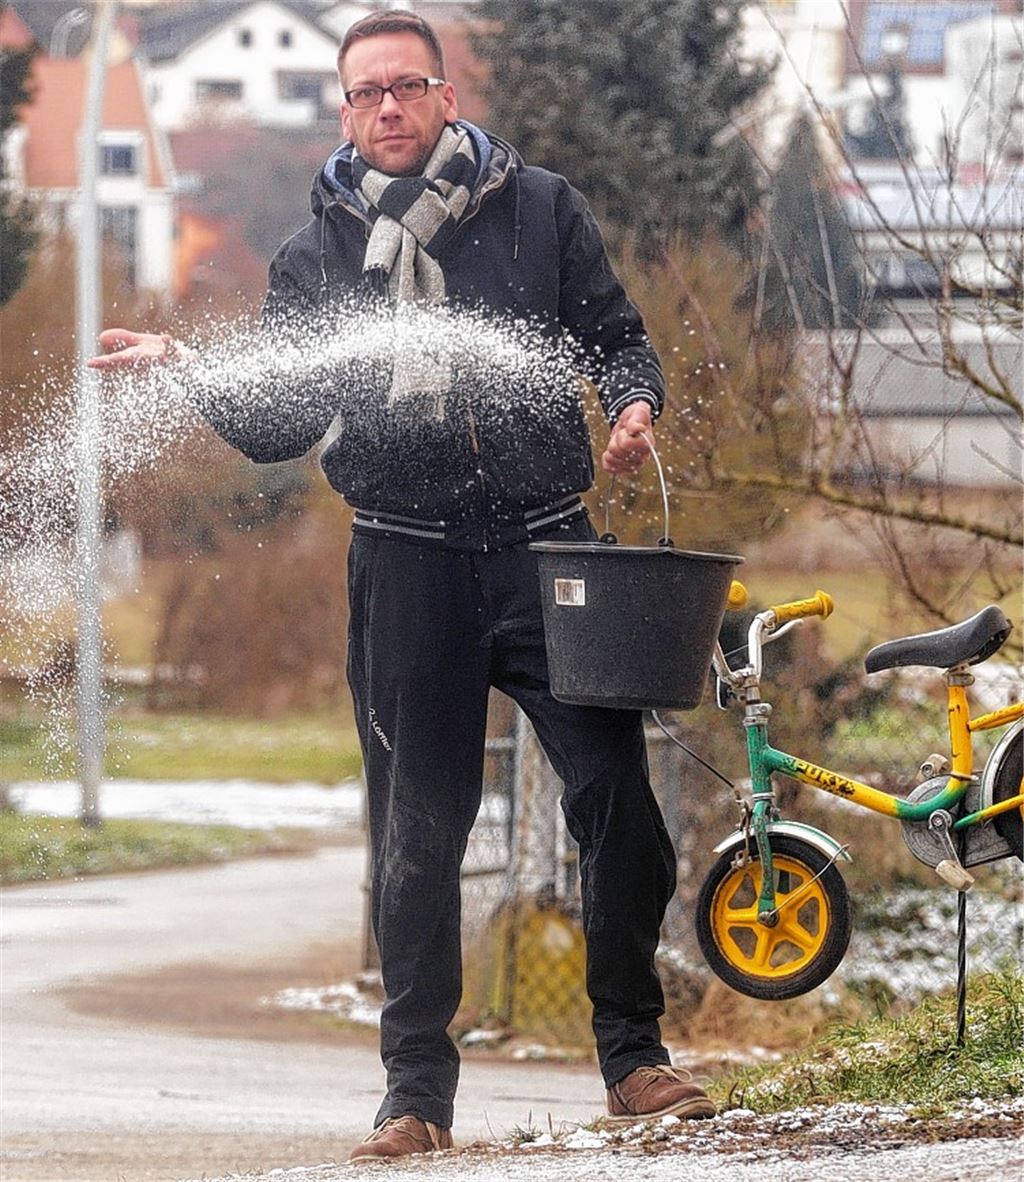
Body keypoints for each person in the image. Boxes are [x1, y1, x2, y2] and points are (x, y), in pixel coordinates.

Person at [89, 9, 716, 1163]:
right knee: (418, 836)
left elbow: (617, 341)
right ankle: (414, 1095)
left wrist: (633, 409)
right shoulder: (316, 254)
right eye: (366, 91)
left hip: (546, 550)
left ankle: (633, 1058)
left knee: (617, 803)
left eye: (406, 87)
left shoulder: (540, 209)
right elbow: (279, 423)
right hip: (404, 561)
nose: (387, 107)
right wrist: (187, 366)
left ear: (444, 96)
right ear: (344, 110)